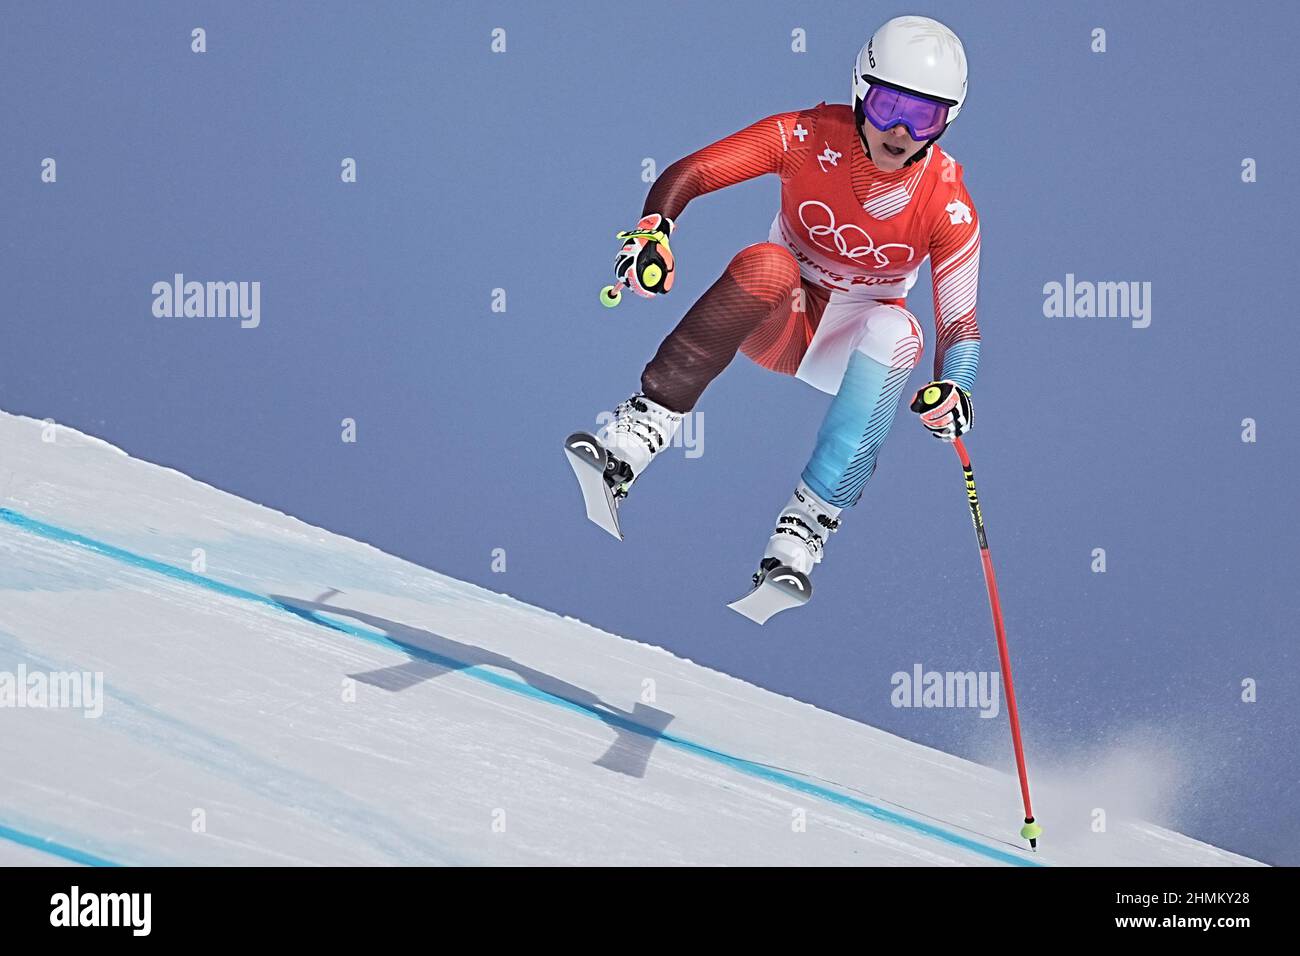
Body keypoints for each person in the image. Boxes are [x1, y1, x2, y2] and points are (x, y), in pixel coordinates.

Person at [569, 15, 980, 615]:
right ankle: (635, 435)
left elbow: (960, 327)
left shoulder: (948, 203)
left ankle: (803, 533)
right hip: (780, 322)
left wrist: (957, 388)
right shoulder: (806, 135)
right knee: (768, 263)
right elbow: (693, 171)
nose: (899, 129)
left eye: (924, 117)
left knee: (901, 332)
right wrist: (654, 231)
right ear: (862, 89)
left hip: (852, 343)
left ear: (946, 122)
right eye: (891, 103)